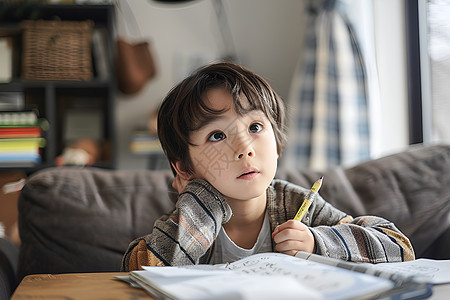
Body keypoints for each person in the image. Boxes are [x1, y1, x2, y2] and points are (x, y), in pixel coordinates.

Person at [121, 62, 414, 271]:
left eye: (256, 126)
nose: (244, 149)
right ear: (184, 168)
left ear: (277, 143)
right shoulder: (191, 217)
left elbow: (399, 246)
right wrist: (202, 204)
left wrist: (316, 241)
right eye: (217, 135)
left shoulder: (299, 204)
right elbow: (140, 267)